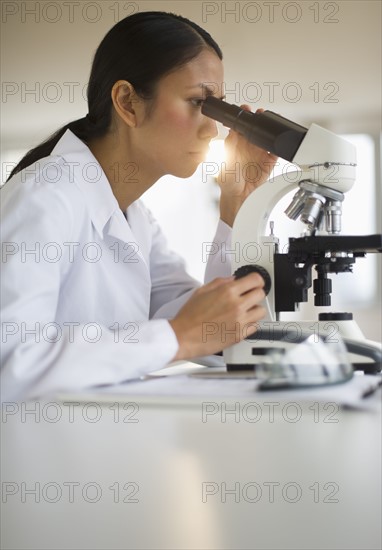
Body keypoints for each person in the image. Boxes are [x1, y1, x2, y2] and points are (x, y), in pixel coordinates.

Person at [1, 11, 277, 401]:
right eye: (198, 102)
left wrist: (237, 204)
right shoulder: (45, 196)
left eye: (217, 108)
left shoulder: (135, 217)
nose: (212, 128)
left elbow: (214, 330)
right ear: (128, 102)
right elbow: (11, 364)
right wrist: (176, 337)